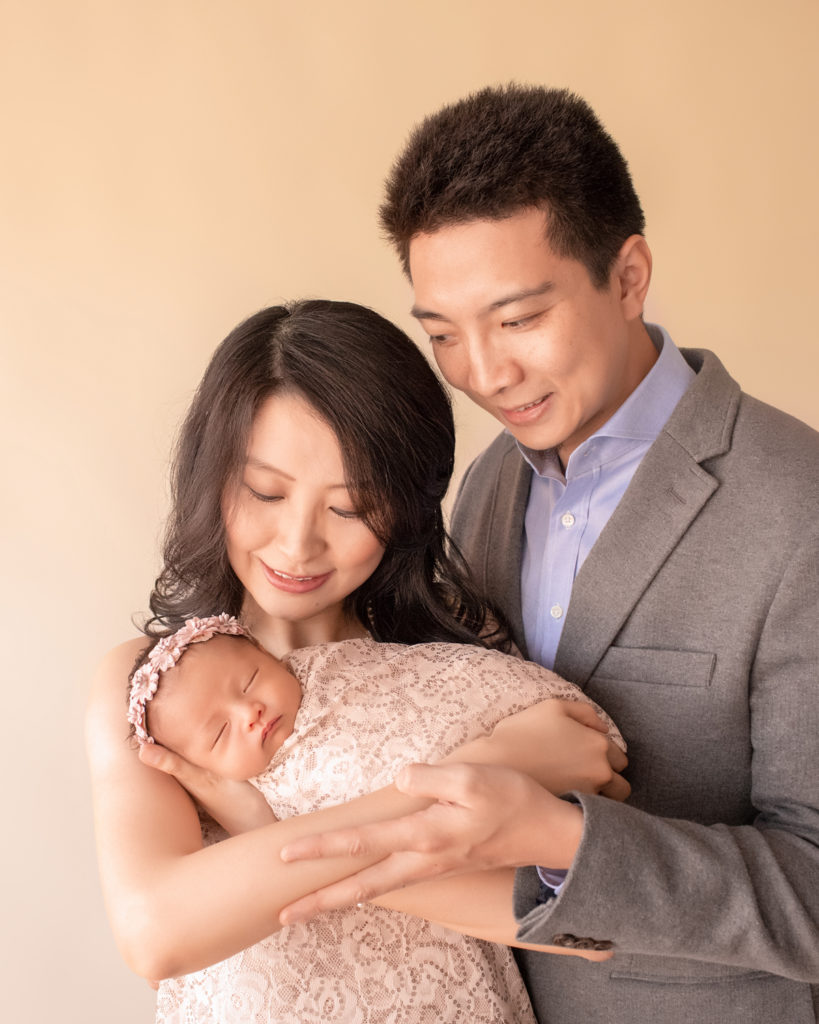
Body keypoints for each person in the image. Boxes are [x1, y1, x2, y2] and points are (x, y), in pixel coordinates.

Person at [276, 87, 819, 1023]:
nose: (483, 374)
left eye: (518, 318)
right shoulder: (486, 487)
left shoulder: (797, 506)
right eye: (442, 333)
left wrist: (565, 839)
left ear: (628, 274)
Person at [86, 300, 628, 1020]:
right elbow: (158, 931)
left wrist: (262, 834)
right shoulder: (154, 685)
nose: (298, 544)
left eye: (348, 508)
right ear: (211, 475)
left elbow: (575, 930)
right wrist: (483, 777)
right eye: (265, 492)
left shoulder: (459, 658)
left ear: (403, 509)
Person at [125, 613, 623, 1021]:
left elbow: (592, 933)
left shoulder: (361, 689)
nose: (248, 712)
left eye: (250, 681)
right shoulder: (209, 809)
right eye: (218, 733)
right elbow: (160, 939)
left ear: (272, 658)